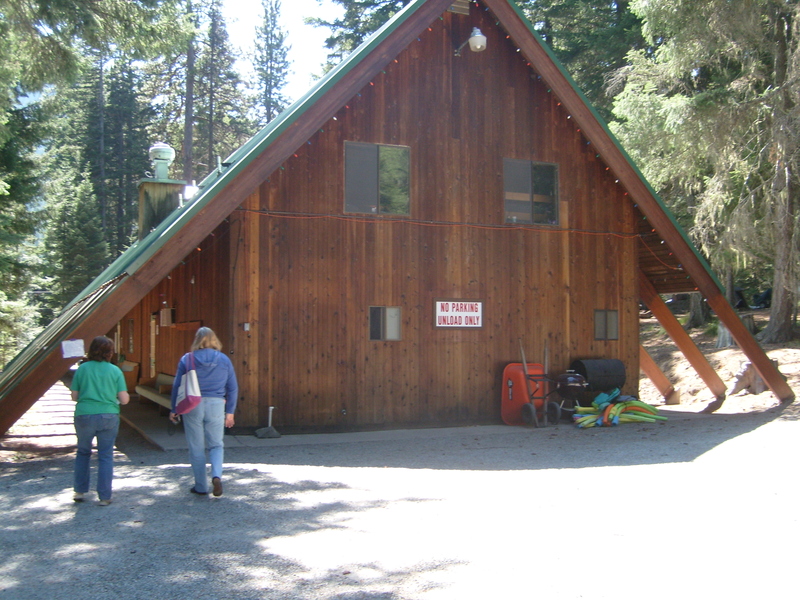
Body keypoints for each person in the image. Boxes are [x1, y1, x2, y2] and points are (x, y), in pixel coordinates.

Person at [169, 327, 238, 497]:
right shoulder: (224, 360)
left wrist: (174, 408)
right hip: (216, 404)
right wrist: (230, 412)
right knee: (216, 444)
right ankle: (216, 476)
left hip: (193, 404)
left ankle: (200, 486)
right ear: (215, 340)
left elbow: (177, 385)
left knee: (196, 447)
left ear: (197, 340)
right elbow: (233, 387)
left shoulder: (187, 359)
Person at [70, 335, 130, 506]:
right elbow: (124, 399)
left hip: (84, 415)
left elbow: (74, 396)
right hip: (108, 415)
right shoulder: (115, 371)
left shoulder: (82, 369)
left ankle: (80, 491)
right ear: (110, 352)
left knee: (83, 452)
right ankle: (104, 496)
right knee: (105, 455)